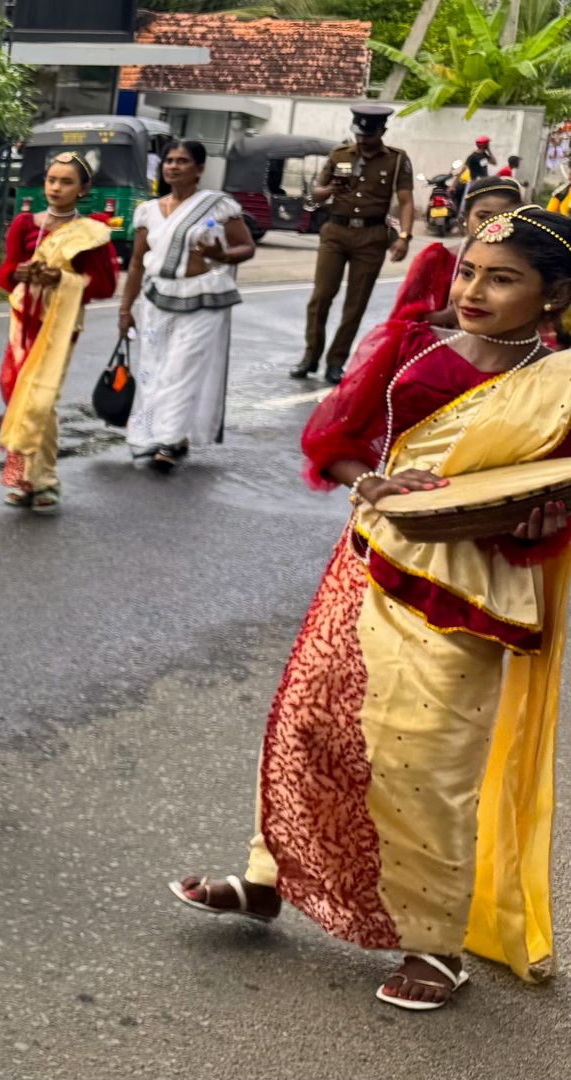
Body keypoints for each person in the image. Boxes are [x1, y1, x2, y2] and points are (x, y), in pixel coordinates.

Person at [171, 204, 571, 1012]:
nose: (476, 289)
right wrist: (370, 481)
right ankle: (267, 880)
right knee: (309, 725)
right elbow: (341, 438)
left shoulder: (560, 386)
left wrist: (541, 522)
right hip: (368, 563)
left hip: (472, 591)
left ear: (555, 296)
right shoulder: (413, 344)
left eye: (503, 278)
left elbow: (549, 501)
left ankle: (434, 946)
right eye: (469, 271)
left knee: (428, 765)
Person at [116, 141, 257, 473]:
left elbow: (246, 246)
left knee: (182, 367)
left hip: (203, 297)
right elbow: (136, 263)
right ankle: (161, 434)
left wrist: (223, 256)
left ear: (199, 169)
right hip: (157, 299)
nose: (173, 166)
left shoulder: (217, 205)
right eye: (169, 160)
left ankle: (169, 439)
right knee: (155, 367)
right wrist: (125, 309)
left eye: (183, 161)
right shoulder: (147, 211)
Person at [0, 151, 121, 513]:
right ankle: (22, 479)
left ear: (83, 189)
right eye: (52, 180)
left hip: (61, 323)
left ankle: (45, 480)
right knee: (17, 395)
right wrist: (18, 274)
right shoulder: (24, 224)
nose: (56, 187)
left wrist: (61, 279)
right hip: (23, 320)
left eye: (66, 182)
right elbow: (4, 275)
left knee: (41, 400)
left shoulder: (92, 231)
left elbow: (104, 285)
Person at [291, 104, 416, 383]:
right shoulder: (338, 155)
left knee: (355, 304)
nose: (362, 140)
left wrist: (404, 237)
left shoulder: (396, 160)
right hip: (335, 231)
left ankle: (336, 361)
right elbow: (316, 194)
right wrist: (329, 190)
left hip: (371, 238)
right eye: (358, 134)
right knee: (321, 296)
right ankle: (310, 356)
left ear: (382, 131)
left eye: (368, 135)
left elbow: (406, 201)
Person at [385, 176, 524, 323]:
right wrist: (452, 315)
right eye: (483, 217)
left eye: (505, 219)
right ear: (465, 218)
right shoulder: (437, 260)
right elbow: (406, 320)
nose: (493, 226)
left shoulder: (527, 264)